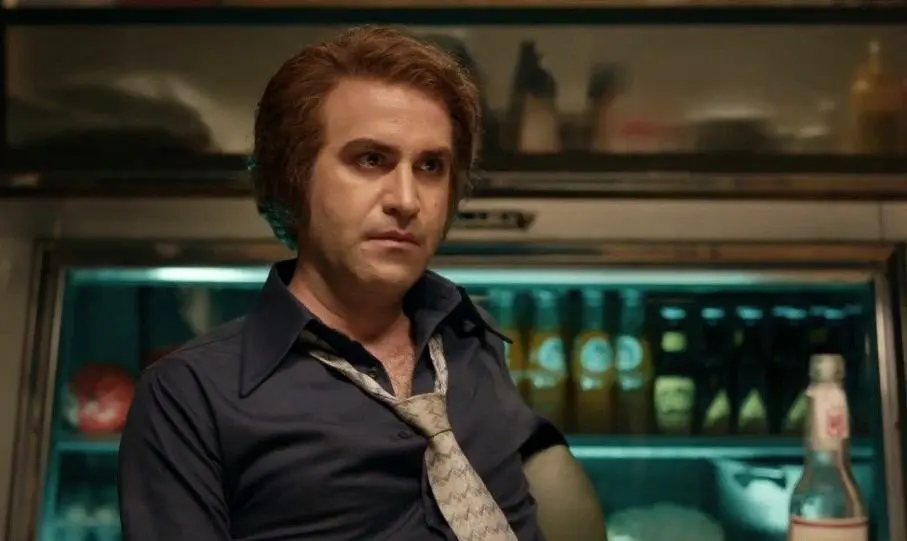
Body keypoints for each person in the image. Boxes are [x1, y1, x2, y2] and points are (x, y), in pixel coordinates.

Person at [118, 25, 605, 541]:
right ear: (294, 177)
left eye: (431, 166)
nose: (407, 200)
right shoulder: (190, 395)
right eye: (371, 159)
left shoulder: (469, 338)